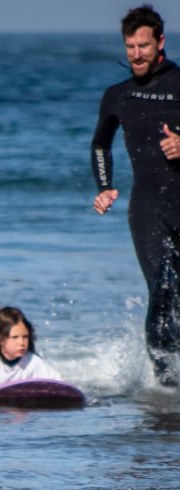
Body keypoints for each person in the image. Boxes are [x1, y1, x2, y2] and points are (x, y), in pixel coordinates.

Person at [91, 4, 180, 385]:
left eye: (143, 45)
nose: (136, 54)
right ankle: (167, 384)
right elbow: (100, 144)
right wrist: (105, 186)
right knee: (162, 290)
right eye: (130, 46)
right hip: (147, 208)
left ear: (160, 42)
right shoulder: (118, 95)